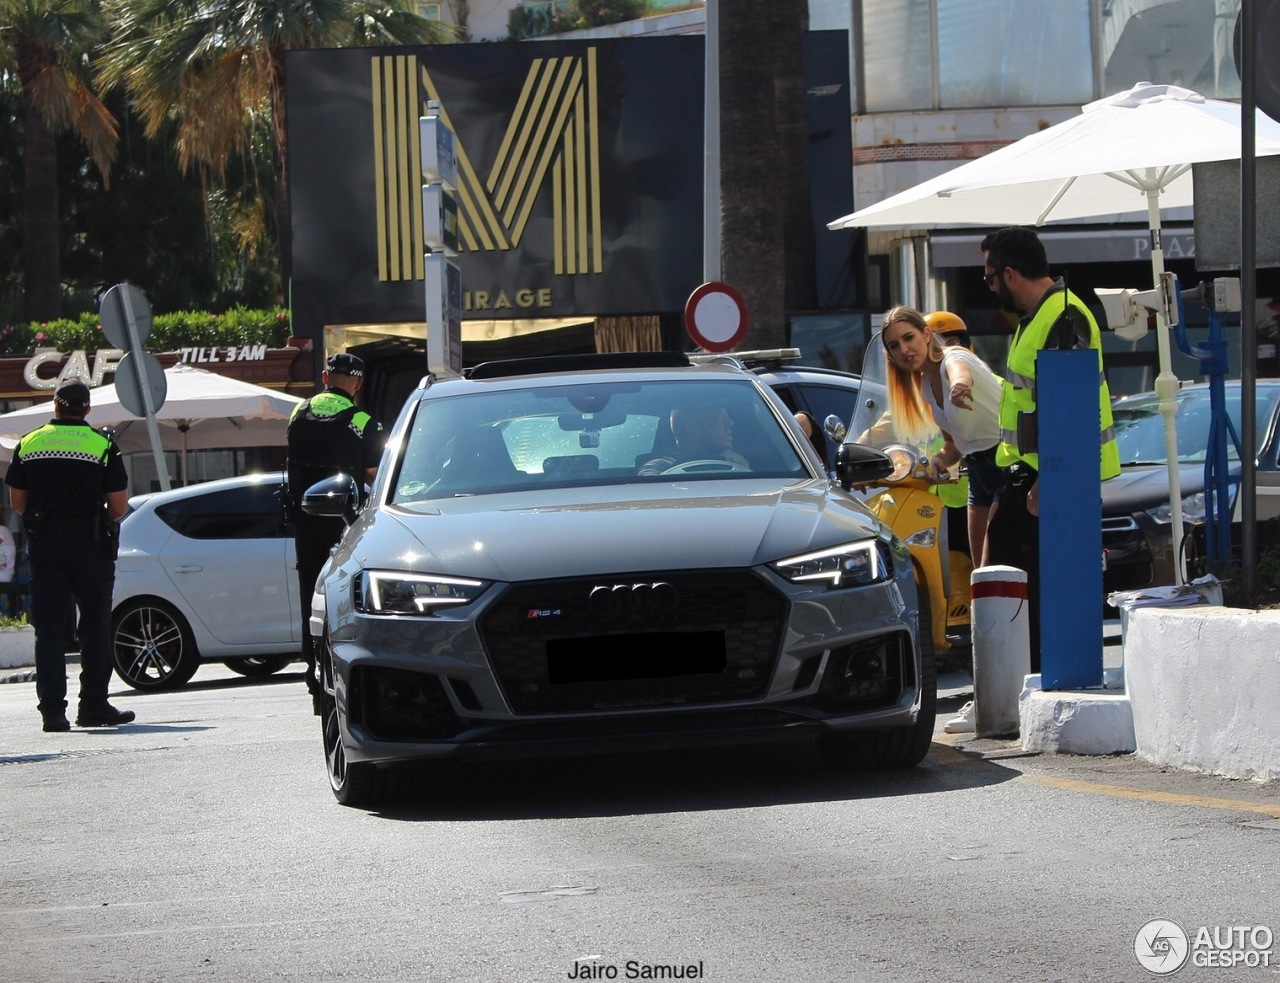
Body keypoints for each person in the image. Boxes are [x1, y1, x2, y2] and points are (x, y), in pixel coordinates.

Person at [980, 226, 1121, 672]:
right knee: (1007, 587)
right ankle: (1012, 683)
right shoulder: (1038, 317)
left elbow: (1068, 407)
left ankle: (1036, 680)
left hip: (1053, 481)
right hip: (1028, 477)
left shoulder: (1062, 315)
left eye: (989, 278)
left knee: (1043, 593)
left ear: (1009, 273)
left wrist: (1049, 479)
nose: (990, 288)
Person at [4, 377, 131, 732]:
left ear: (55, 405)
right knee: (95, 626)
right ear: (87, 409)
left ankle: (52, 713)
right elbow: (119, 506)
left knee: (49, 630)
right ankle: (93, 706)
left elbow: (17, 503)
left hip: (45, 544)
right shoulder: (103, 445)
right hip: (90, 543)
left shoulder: (29, 442)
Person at [286, 352, 384, 713]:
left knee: (310, 595)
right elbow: (377, 476)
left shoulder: (299, 413)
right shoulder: (363, 421)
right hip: (348, 524)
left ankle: (314, 677)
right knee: (348, 597)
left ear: (326, 377)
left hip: (305, 520)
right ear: (357, 384)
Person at [881, 306, 1004, 568]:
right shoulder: (925, 385)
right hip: (978, 470)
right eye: (894, 345)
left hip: (1005, 462)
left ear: (926, 334)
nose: (903, 349)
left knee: (994, 568)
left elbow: (960, 371)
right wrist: (939, 460)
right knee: (979, 572)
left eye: (908, 337)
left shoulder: (953, 357)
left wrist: (960, 386)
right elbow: (953, 444)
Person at [639, 404, 749, 475]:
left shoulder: (736, 463)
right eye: (721, 416)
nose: (730, 423)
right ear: (690, 427)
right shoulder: (658, 467)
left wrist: (743, 469)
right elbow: (651, 495)